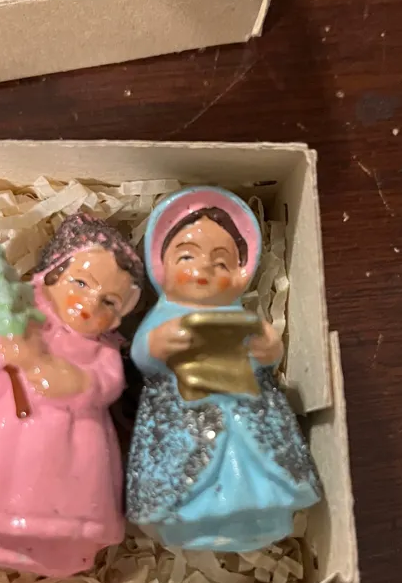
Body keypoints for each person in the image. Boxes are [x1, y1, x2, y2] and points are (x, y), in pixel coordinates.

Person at [0, 215, 144, 577]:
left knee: (65, 500)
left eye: (109, 301)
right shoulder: (24, 321)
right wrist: (7, 350)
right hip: (4, 426)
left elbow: (105, 383)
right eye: (81, 283)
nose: (89, 303)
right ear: (52, 275)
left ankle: (63, 545)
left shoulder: (102, 351)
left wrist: (60, 375)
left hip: (74, 445)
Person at [126, 187, 321, 553]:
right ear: (161, 266)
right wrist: (158, 345)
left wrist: (268, 349)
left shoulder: (240, 316)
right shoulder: (164, 317)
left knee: (253, 468)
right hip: (185, 415)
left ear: (240, 274)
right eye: (187, 256)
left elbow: (267, 353)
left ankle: (261, 514)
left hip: (245, 410)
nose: (203, 268)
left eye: (220, 263)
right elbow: (143, 356)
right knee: (189, 471)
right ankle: (191, 519)